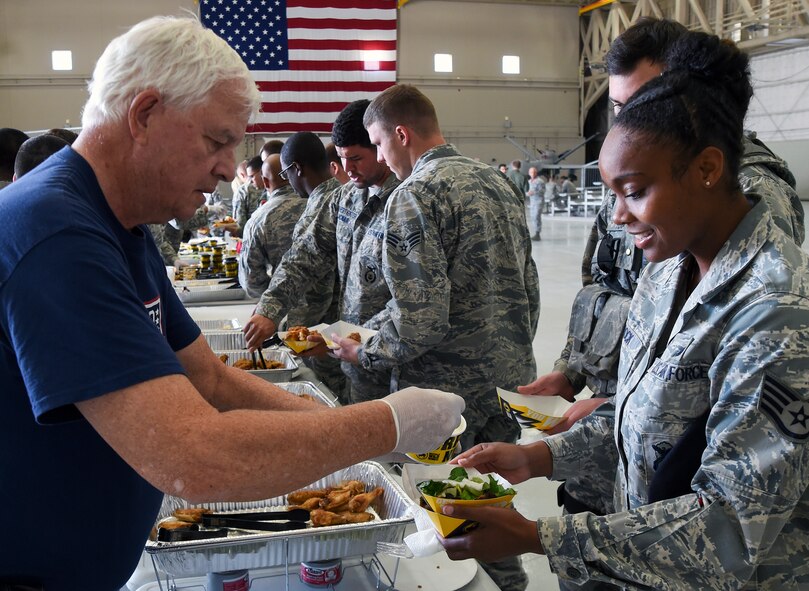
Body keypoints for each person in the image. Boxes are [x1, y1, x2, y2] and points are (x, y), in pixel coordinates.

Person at [0, 17, 465, 590]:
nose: (227, 168)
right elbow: (196, 457)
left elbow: (209, 381)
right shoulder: (58, 234)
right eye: (216, 140)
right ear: (144, 115)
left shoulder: (120, 225)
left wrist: (334, 425)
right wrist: (386, 425)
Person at [442, 32, 809, 591]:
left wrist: (538, 537)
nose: (617, 217)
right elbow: (649, 412)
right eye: (612, 193)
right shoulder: (669, 265)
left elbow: (731, 527)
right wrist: (539, 457)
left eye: (633, 192)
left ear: (708, 168)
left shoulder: (774, 313)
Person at [351, 84, 539, 591]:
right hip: (503, 382)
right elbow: (528, 286)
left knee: (438, 517)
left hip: (442, 398)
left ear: (401, 134)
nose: (384, 158)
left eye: (380, 143)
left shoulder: (415, 195)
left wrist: (365, 347)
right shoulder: (498, 183)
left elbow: (421, 320)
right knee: (491, 514)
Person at [243, 100, 400, 405]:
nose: (347, 169)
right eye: (342, 159)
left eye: (356, 158)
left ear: (380, 148)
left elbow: (414, 303)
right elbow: (304, 256)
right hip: (351, 359)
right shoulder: (344, 199)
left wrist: (350, 341)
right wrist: (269, 309)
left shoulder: (408, 201)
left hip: (395, 359)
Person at [244, 131, 347, 397]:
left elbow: (300, 263)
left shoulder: (322, 205)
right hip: (343, 331)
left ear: (297, 168)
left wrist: (269, 310)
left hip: (325, 332)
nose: (287, 181)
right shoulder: (345, 195)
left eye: (286, 173)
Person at [237, 152, 305, 296]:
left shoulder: (258, 219)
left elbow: (251, 281)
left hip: (282, 310)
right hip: (332, 310)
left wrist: (276, 295)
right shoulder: (321, 206)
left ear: (266, 182)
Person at [526, 165, 545, 240]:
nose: (532, 174)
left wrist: (534, 192)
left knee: (537, 216)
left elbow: (542, 191)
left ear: (536, 173)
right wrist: (528, 193)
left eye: (534, 172)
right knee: (533, 217)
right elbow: (527, 191)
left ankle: (538, 233)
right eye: (531, 172)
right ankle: (535, 231)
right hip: (532, 202)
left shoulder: (540, 181)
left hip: (539, 202)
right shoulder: (529, 182)